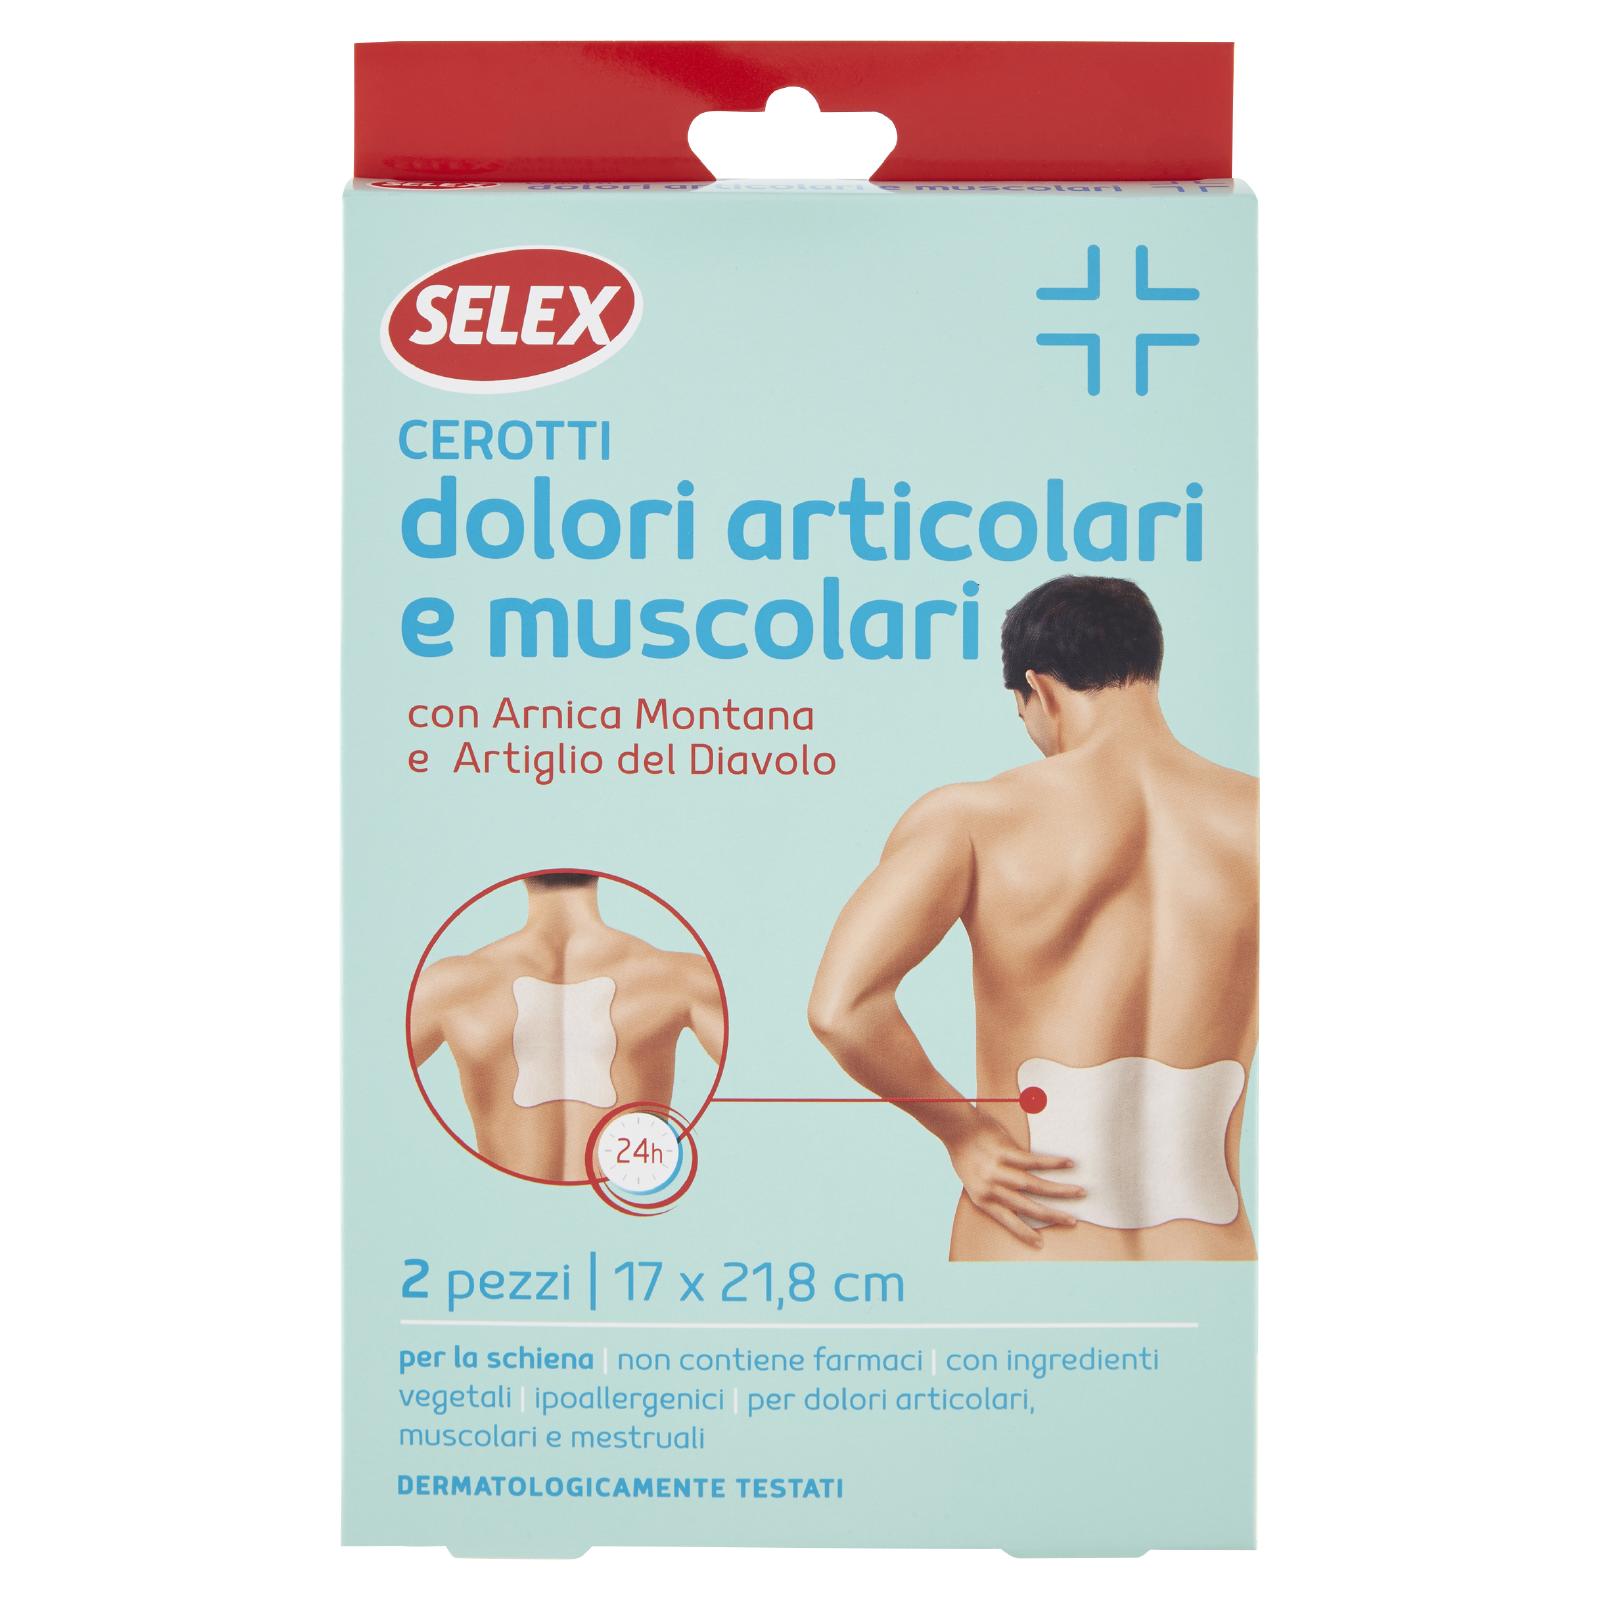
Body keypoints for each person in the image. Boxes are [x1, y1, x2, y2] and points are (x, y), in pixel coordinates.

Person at [808, 576, 1258, 1261]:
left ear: (1039, 691)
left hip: (1027, 1248)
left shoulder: (974, 819)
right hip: (1208, 1259)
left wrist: (962, 1133)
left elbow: (840, 1009)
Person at [410, 873, 724, 1181]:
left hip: (503, 1208)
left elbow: (380, 1081)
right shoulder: (679, 978)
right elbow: (750, 1076)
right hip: (625, 1210)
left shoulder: (449, 985)